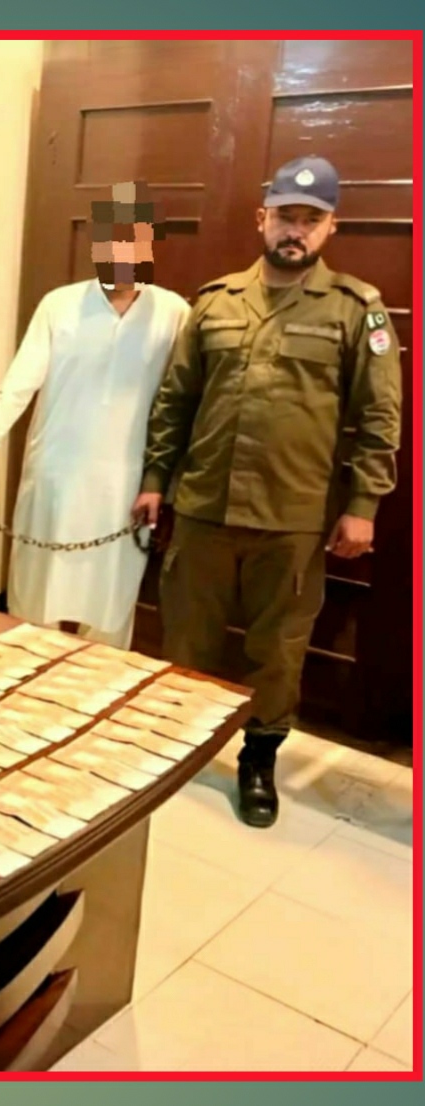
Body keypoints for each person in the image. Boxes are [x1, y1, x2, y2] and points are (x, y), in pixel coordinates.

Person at [133, 156, 401, 829]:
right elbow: (175, 401)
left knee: (278, 652)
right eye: (286, 216)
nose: (295, 230)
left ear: (331, 228)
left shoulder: (356, 309)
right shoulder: (215, 301)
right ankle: (180, 748)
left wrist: (363, 506)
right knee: (187, 638)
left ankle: (258, 760)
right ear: (263, 219)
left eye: (311, 220)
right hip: (204, 508)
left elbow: (379, 415)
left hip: (293, 517)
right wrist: (156, 481)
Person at [0, 182, 190, 647]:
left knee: (109, 618)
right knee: (33, 614)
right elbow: (16, 388)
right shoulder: (60, 304)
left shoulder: (173, 313)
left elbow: (182, 408)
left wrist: (168, 488)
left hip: (125, 491)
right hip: (55, 481)